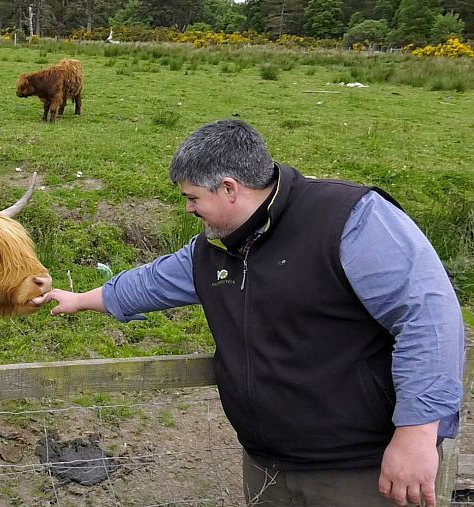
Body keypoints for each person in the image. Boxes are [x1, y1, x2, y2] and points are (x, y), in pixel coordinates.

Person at [34, 119, 465, 506]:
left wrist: (417, 434)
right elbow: (155, 282)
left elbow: (429, 318)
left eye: (191, 197)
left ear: (228, 187)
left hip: (359, 470)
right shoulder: (218, 246)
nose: (187, 209)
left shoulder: (350, 220)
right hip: (267, 466)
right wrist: (81, 299)